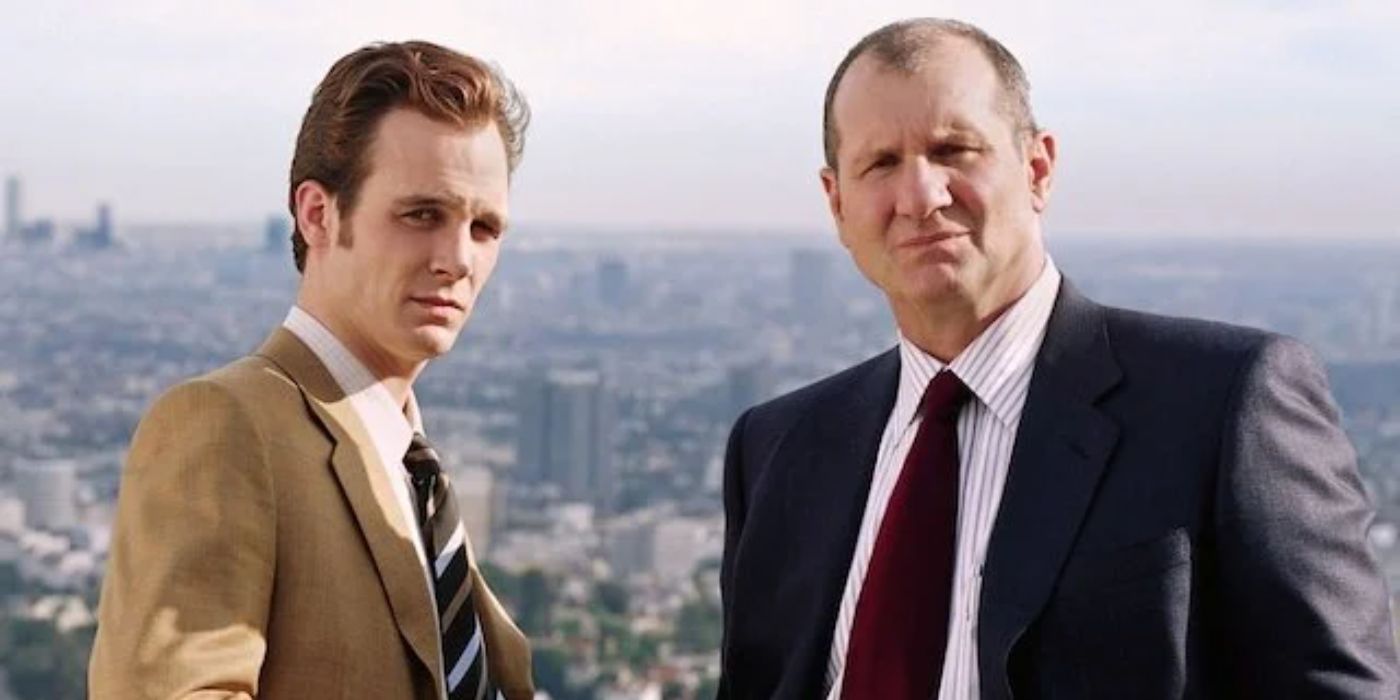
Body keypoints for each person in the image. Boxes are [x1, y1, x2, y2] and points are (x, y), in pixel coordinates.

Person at [718, 18, 1399, 699]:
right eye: (881, 164)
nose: (921, 197)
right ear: (838, 204)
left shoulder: (1224, 403)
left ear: (1038, 169)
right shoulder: (778, 448)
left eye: (954, 149)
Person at [89, 41, 534, 699]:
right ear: (318, 215)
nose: (457, 258)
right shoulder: (227, 426)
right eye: (422, 215)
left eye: (485, 227)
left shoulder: (413, 477)